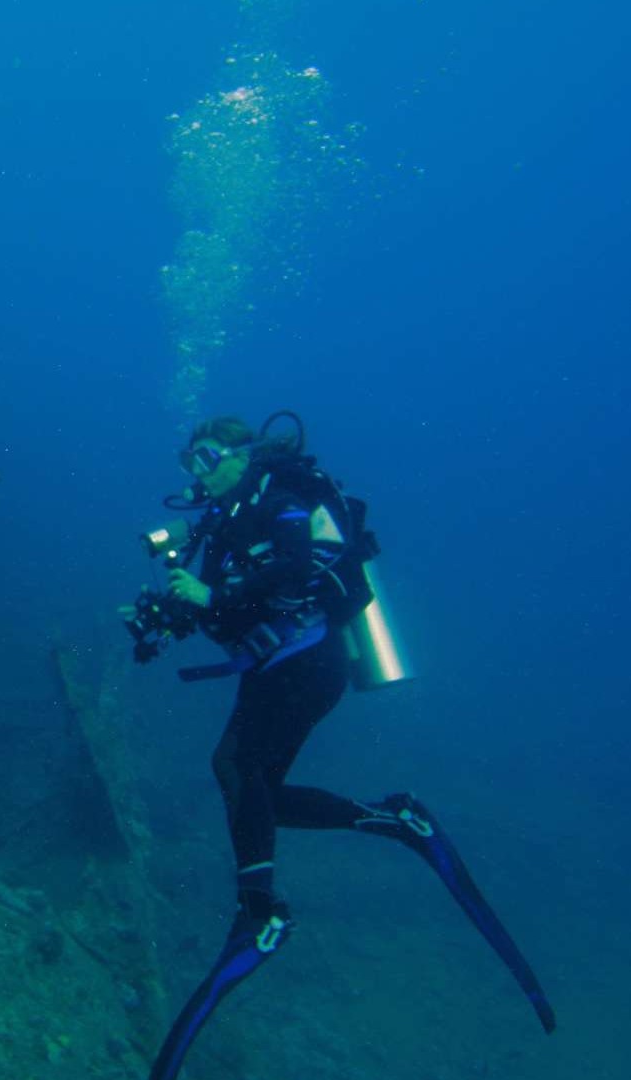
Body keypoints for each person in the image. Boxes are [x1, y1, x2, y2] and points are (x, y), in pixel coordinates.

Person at [124, 413, 555, 1080]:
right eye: (189, 462)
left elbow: (296, 566)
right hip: (281, 667)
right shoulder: (227, 521)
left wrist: (214, 592)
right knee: (259, 792)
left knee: (233, 765)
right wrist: (169, 614)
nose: (197, 473)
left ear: (242, 454)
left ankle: (260, 915)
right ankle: (394, 818)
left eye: (206, 458)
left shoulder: (280, 499)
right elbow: (227, 607)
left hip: (306, 663)